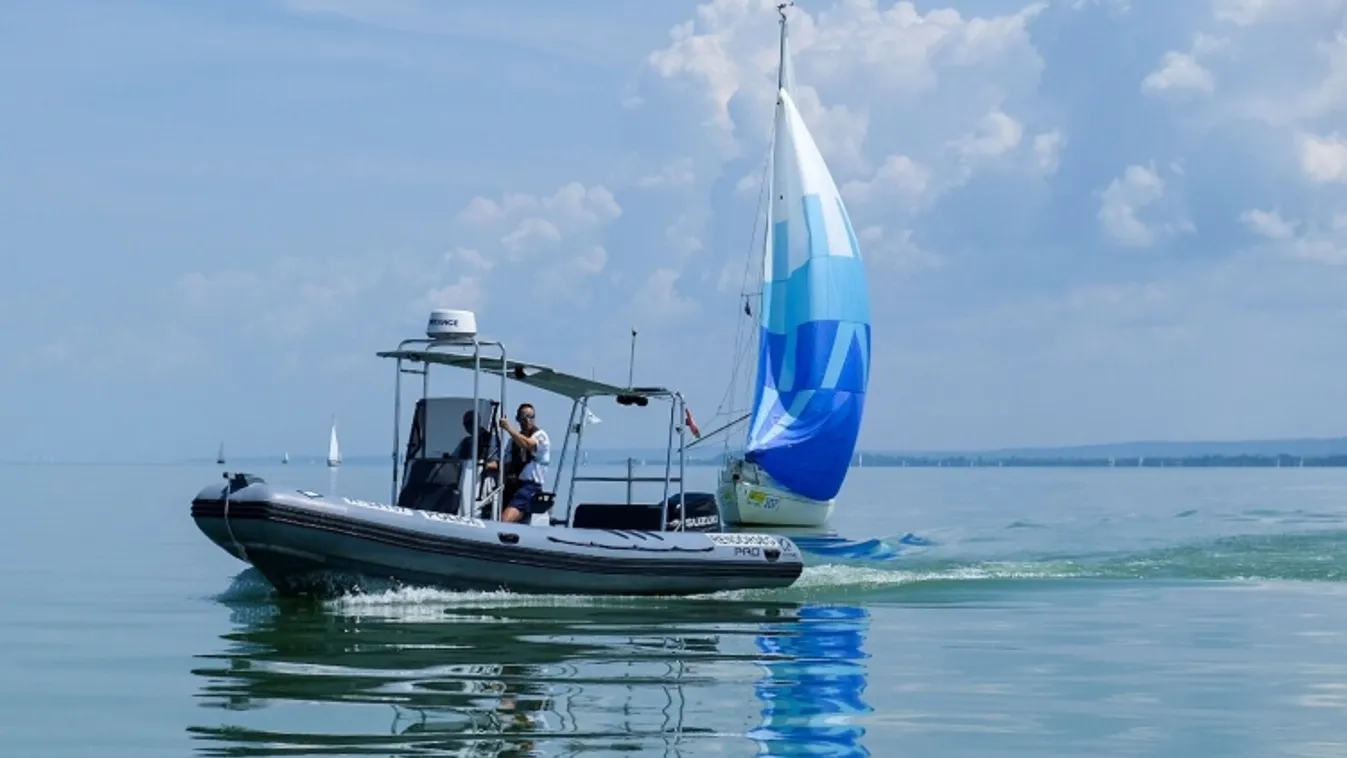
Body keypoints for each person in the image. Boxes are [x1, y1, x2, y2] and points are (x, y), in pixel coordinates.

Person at [498, 402, 550, 523]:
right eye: (523, 417)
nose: (528, 420)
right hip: (512, 485)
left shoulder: (541, 436)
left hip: (530, 487)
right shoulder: (512, 442)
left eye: (531, 416)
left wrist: (508, 428)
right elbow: (507, 464)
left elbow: (527, 444)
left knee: (504, 520)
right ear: (518, 419)